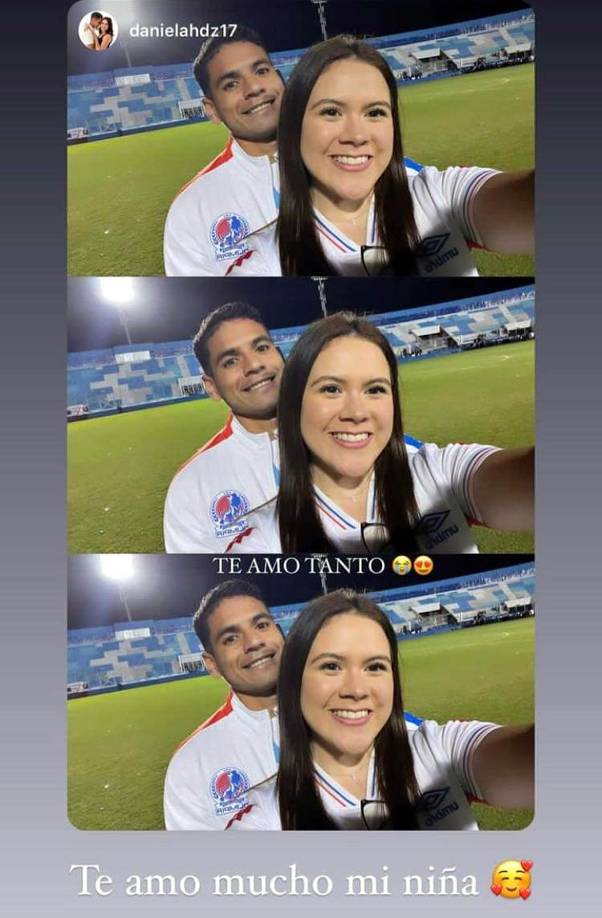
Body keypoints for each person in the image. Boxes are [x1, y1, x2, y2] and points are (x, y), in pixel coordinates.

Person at [226, 36, 534, 277]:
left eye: (375, 112)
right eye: (331, 112)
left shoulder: (440, 193)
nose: (357, 135)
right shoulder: (263, 261)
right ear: (294, 127)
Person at [226, 313, 534, 553]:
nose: (357, 413)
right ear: (294, 404)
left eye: (375, 389)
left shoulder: (439, 471)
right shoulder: (261, 540)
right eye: (331, 389)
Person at [227, 591, 534, 830]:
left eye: (375, 666)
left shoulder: (439, 749)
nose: (357, 690)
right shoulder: (265, 817)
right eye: (331, 666)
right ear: (294, 681)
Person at [163, 302, 284, 553]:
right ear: (212, 387)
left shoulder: (350, 438)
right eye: (230, 361)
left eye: (261, 347)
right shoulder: (190, 486)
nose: (254, 365)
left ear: (281, 356)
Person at [164, 580, 285, 830]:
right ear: (212, 664)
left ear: (281, 633)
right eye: (230, 639)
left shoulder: (348, 715)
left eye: (262, 625)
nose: (253, 642)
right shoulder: (191, 762)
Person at [163, 29, 284, 276]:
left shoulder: (350, 164)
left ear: (282, 80)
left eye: (261, 71)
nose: (254, 88)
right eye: (231, 84)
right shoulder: (190, 208)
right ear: (212, 110)